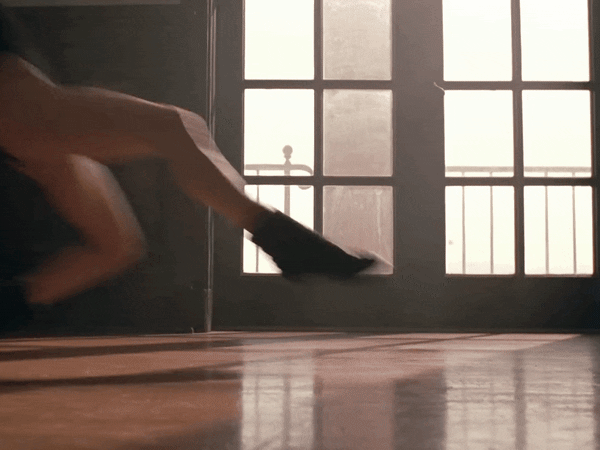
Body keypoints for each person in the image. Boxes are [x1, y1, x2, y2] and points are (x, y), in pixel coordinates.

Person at [0, 4, 376, 331]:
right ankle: (287, 242)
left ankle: (10, 307)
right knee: (174, 126)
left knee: (116, 246)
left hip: (24, 105)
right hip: (18, 101)